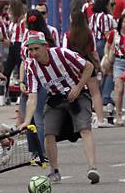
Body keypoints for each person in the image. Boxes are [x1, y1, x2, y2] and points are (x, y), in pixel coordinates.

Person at [24, 33, 100, 184]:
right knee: (49, 132)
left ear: (46, 46)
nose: (33, 53)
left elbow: (88, 66)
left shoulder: (62, 54)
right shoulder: (31, 66)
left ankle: (92, 167)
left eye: (36, 49)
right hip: (55, 98)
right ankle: (54, 171)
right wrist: (26, 121)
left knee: (84, 128)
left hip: (77, 94)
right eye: (30, 50)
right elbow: (32, 96)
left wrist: (78, 88)